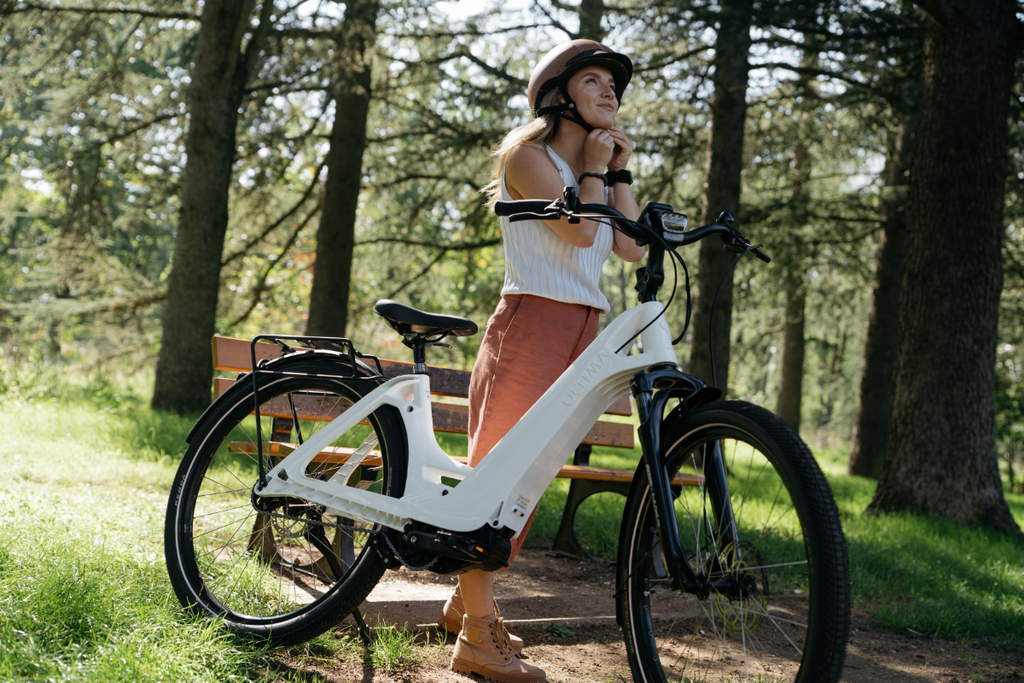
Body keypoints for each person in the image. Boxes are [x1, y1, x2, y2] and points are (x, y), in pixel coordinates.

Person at [438, 39, 645, 683]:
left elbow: (633, 248)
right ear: (558, 95)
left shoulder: (589, 161)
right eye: (594, 80)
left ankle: (462, 603)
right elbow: (581, 231)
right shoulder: (530, 157)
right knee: (496, 478)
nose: (610, 91)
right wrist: (589, 162)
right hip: (533, 321)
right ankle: (475, 638)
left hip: (586, 328)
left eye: (614, 84)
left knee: (526, 485)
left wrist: (617, 171)